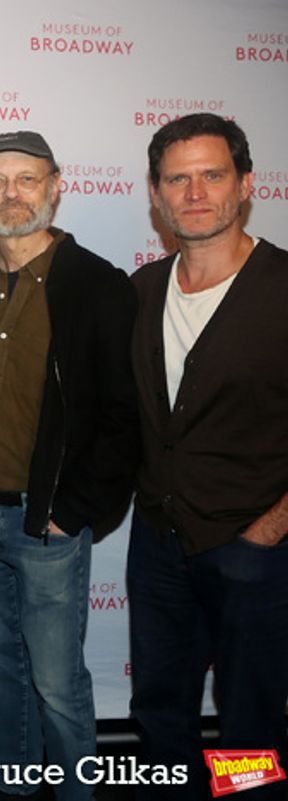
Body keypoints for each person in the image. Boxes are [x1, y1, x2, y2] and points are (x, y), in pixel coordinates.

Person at [0, 131, 139, 800]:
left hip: (43, 516)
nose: (10, 193)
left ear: (54, 186)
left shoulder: (96, 283)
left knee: (57, 680)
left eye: (26, 179)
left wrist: (72, 509)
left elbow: (122, 414)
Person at [129, 113, 288, 801]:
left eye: (211, 174)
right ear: (157, 195)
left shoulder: (282, 287)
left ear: (245, 184)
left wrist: (275, 524)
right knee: (161, 707)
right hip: (159, 543)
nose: (195, 192)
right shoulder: (139, 291)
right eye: (177, 178)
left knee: (250, 722)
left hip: (254, 547)